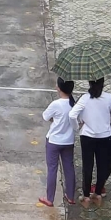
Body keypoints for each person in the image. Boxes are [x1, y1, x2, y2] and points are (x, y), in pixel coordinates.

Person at [70, 77, 111, 208]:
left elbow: (72, 115)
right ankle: (97, 194)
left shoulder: (84, 98)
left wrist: (77, 126)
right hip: (104, 135)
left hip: (87, 136)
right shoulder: (110, 97)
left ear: (89, 83)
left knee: (87, 166)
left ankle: (86, 196)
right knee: (102, 165)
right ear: (103, 83)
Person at [39, 78, 77, 207]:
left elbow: (45, 116)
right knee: (69, 168)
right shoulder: (74, 104)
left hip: (54, 141)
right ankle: (71, 196)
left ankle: (50, 198)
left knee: (52, 169)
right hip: (68, 141)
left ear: (59, 88)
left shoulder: (56, 104)